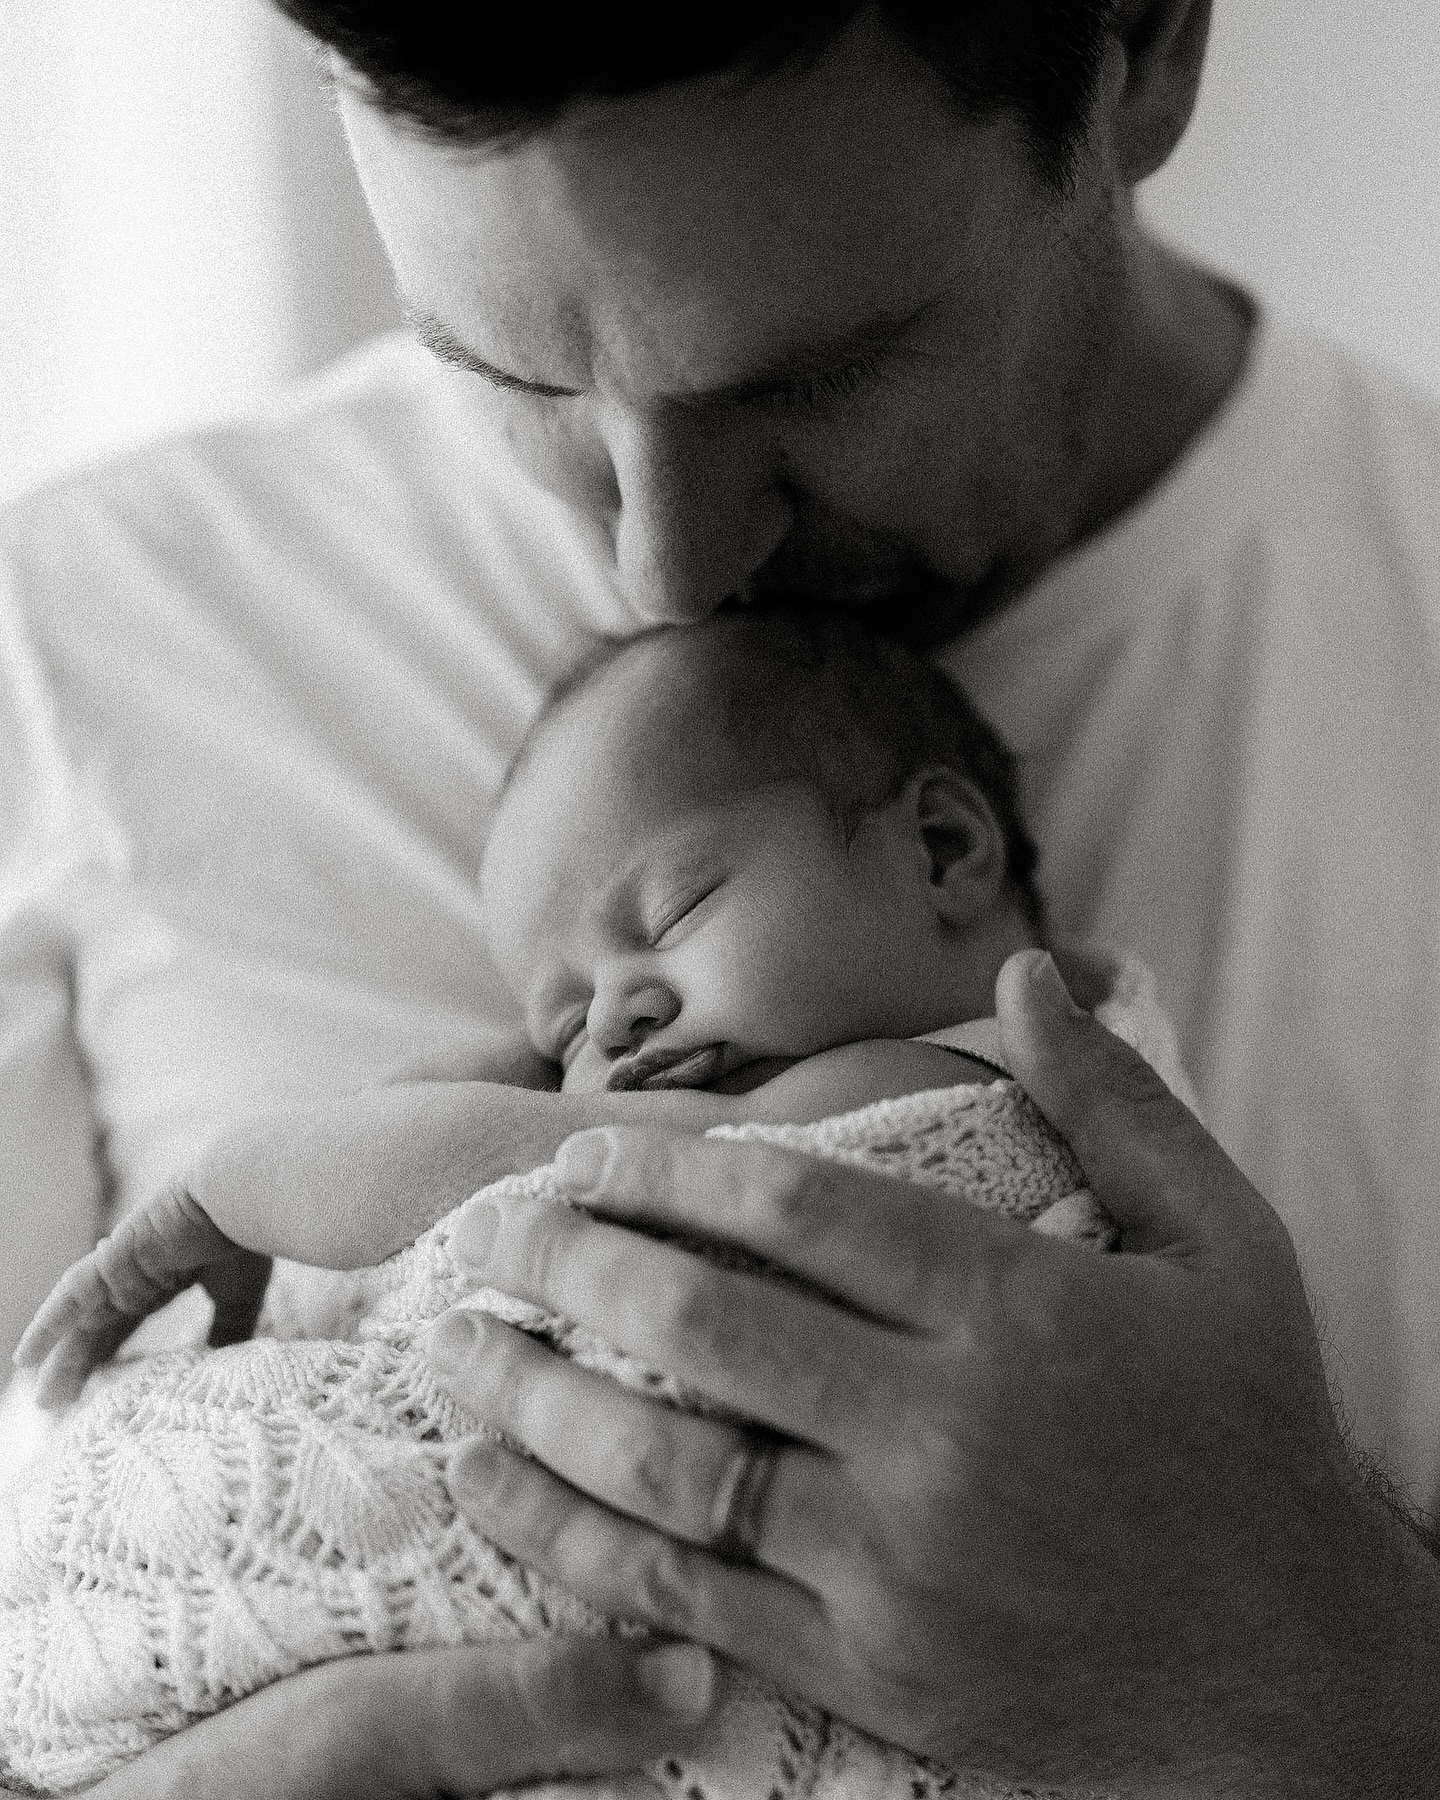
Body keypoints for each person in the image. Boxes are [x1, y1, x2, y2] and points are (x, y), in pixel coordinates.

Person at [1, 1, 1438, 1792]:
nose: (659, 567)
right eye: (514, 375)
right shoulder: (77, 646)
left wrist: (1340, 1660)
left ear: (1141, 42)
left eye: (807, 384)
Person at [10, 609, 1179, 1797]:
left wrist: (232, 1182)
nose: (616, 1018)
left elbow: (504, 1161)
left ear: (938, 849)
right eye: (565, 1025)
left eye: (670, 916)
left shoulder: (948, 1089)